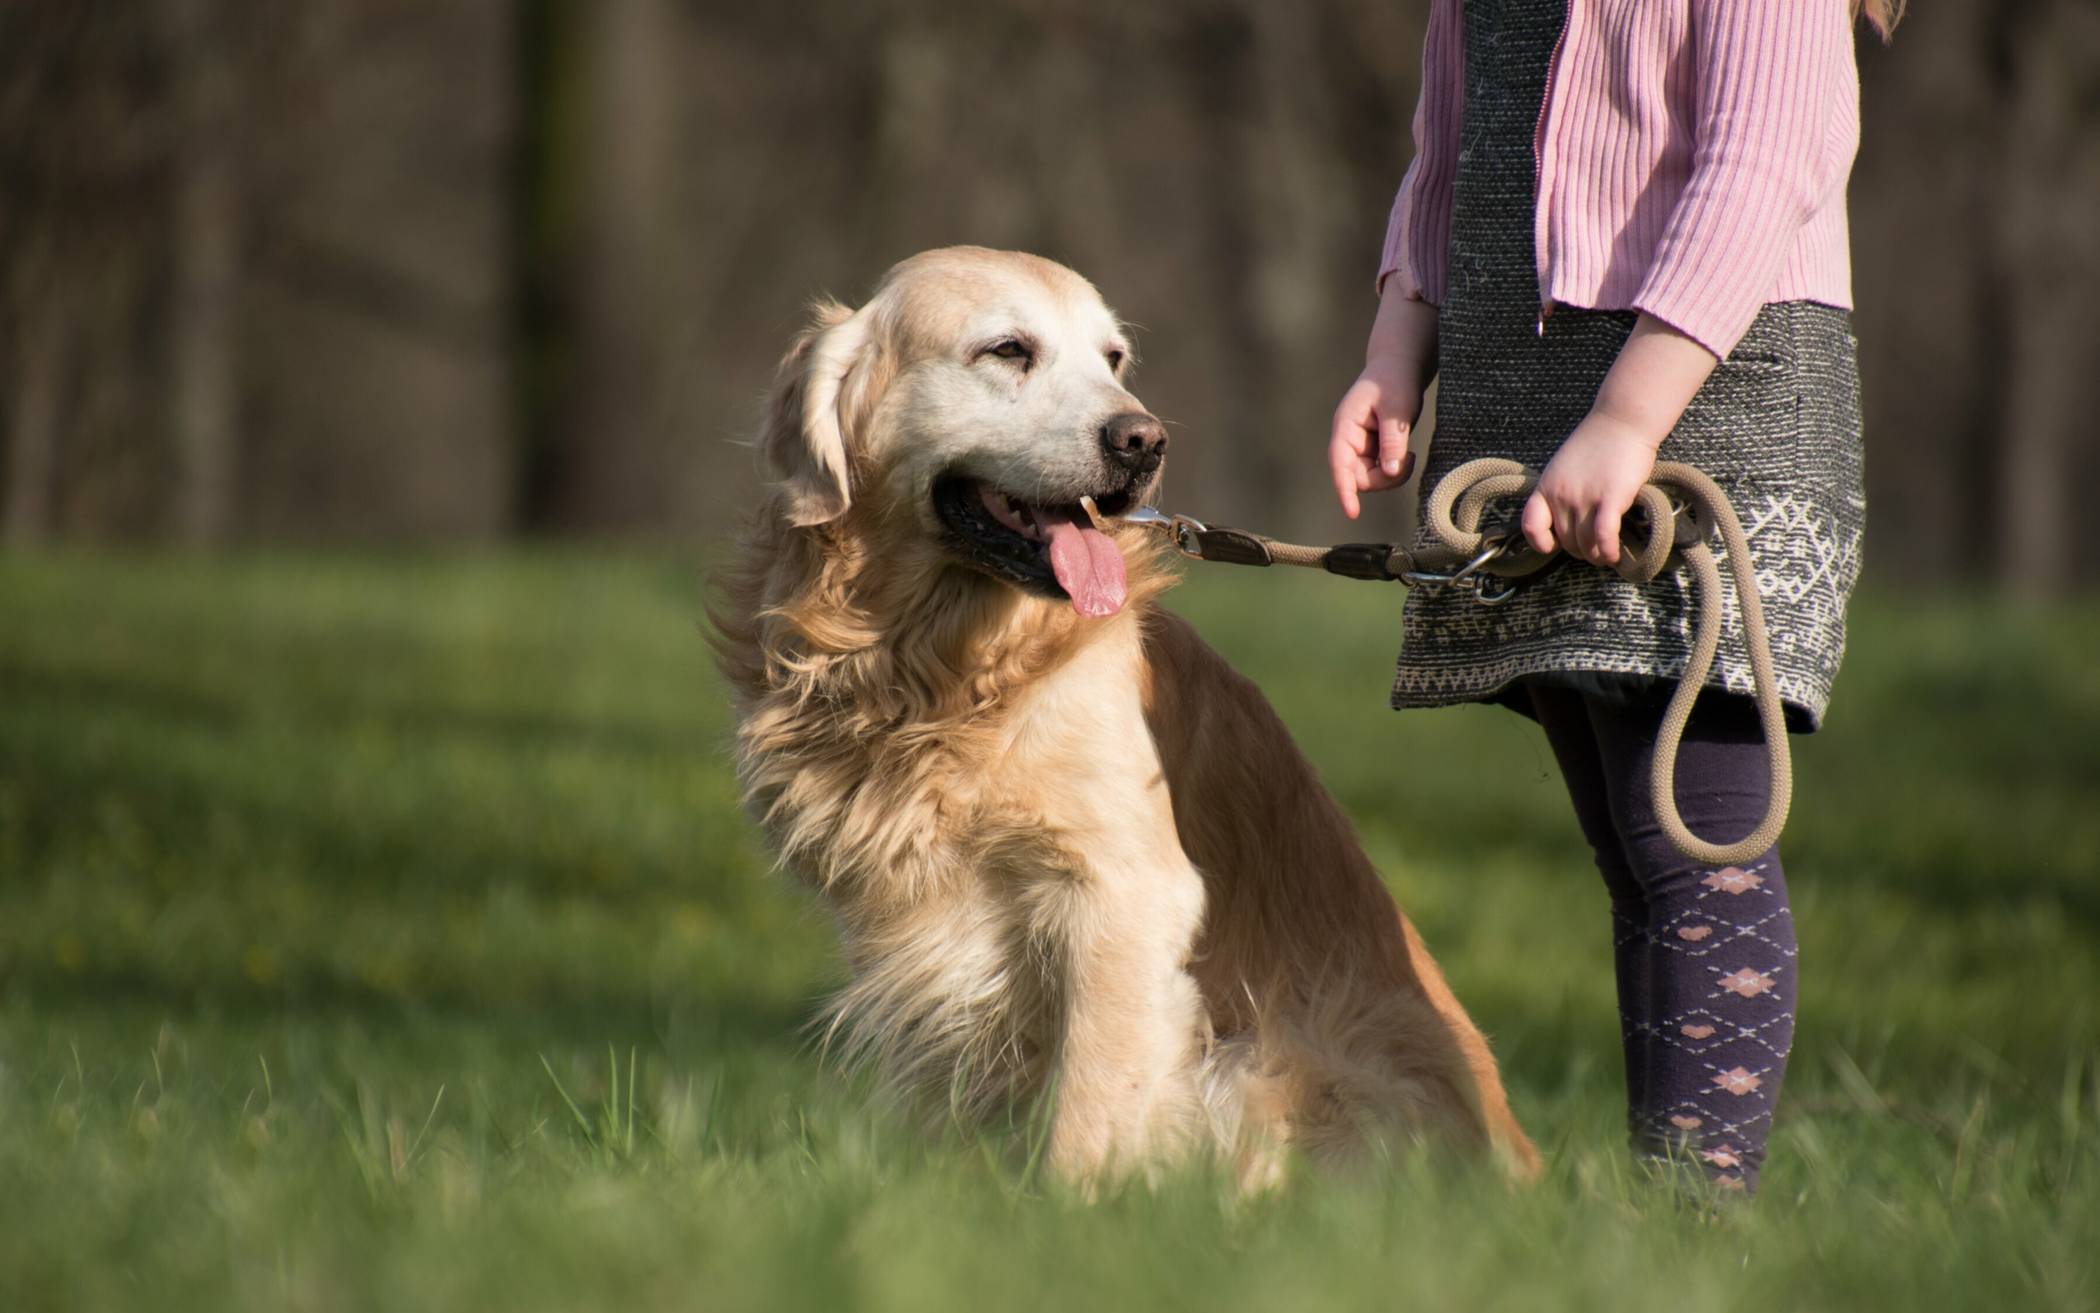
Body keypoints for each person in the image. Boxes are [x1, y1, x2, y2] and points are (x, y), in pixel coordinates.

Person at [1328, 0, 1902, 1195]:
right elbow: (1449, 159)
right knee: (1633, 846)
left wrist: (1629, 419)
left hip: (1706, 390)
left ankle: (1695, 1219)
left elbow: (1764, 163)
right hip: (1531, 393)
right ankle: (1662, 1206)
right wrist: (1394, 352)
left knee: (1693, 839)